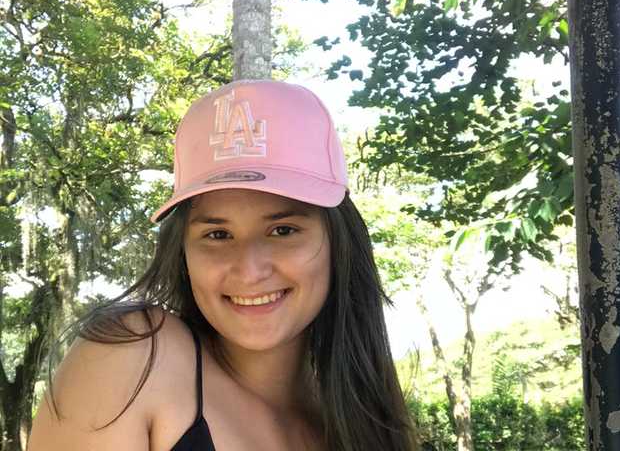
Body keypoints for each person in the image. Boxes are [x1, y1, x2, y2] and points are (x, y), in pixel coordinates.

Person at [28, 80, 418, 451]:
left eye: (283, 230)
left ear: (338, 242)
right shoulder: (133, 357)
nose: (249, 270)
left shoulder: (364, 420)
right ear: (183, 252)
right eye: (217, 235)